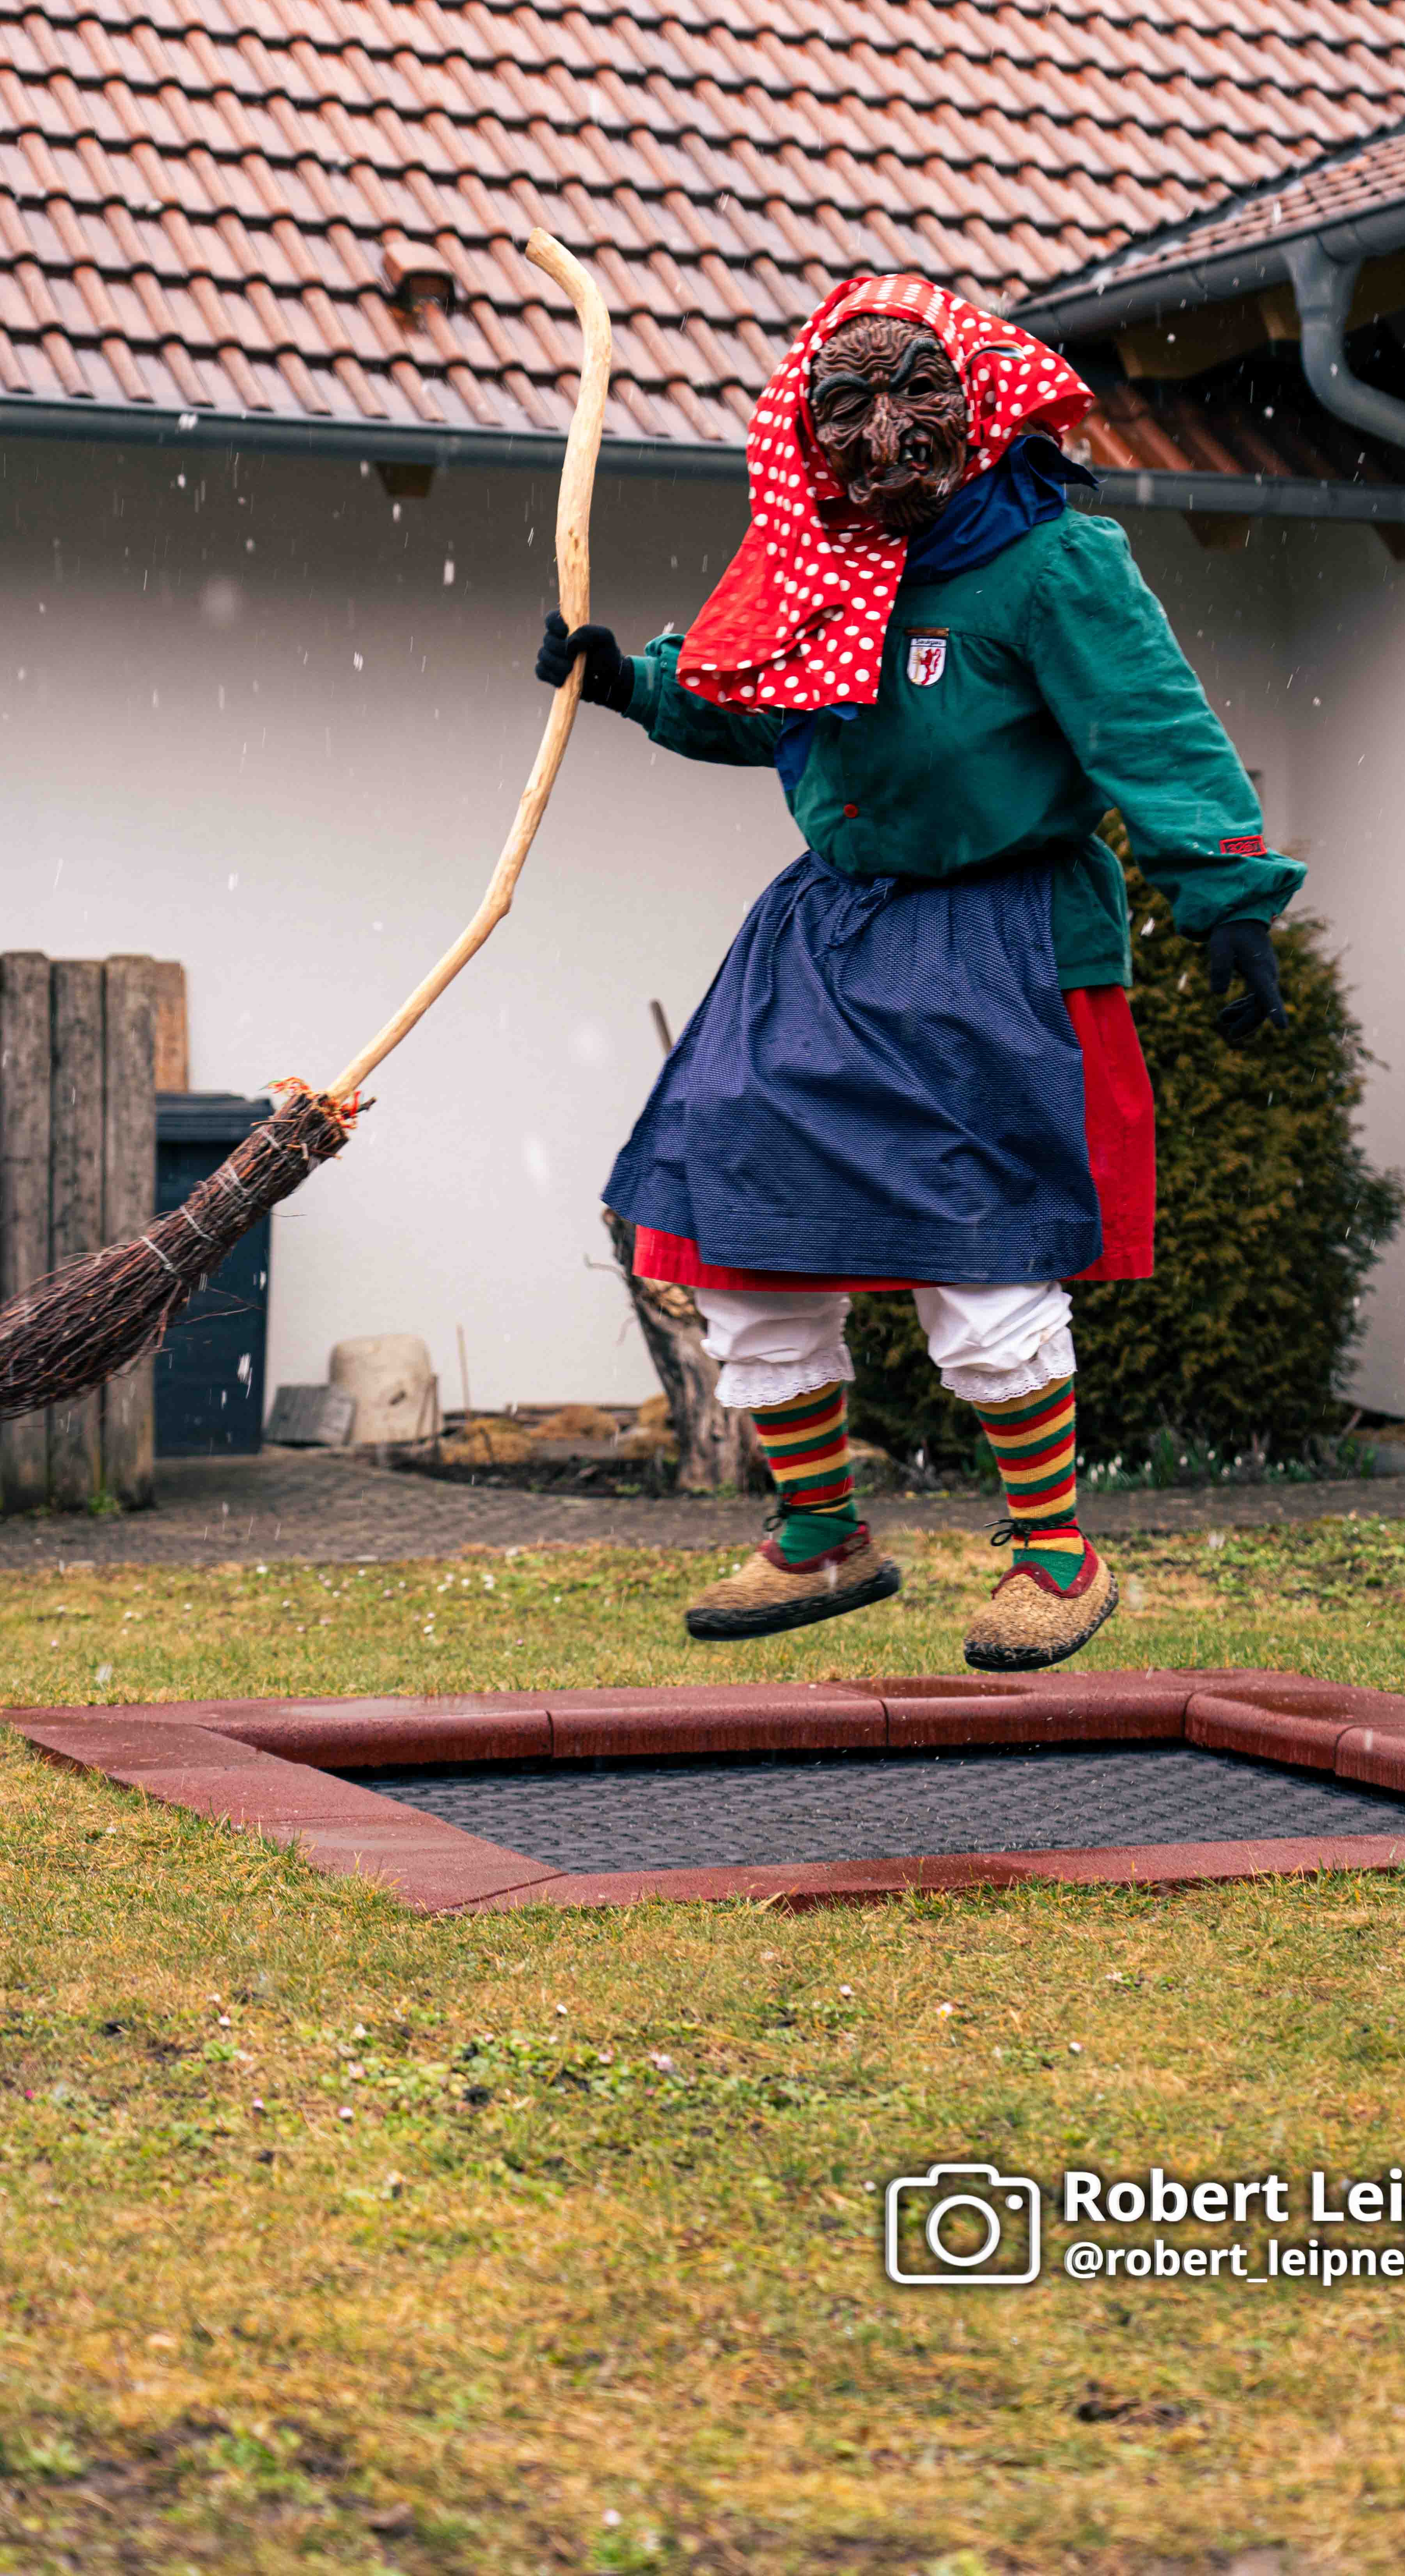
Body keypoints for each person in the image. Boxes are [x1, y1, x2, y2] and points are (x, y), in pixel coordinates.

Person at [538, 273, 1304, 1668]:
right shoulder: (812, 558)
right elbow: (751, 706)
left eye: (914, 400)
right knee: (736, 1204)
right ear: (809, 433)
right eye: (850, 408)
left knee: (981, 1239)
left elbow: (1155, 727)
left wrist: (1230, 898)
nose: (884, 435)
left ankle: (1057, 1556)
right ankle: (821, 1531)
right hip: (824, 942)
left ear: (978, 402)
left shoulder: (1051, 562)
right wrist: (628, 681)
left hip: (1000, 941)